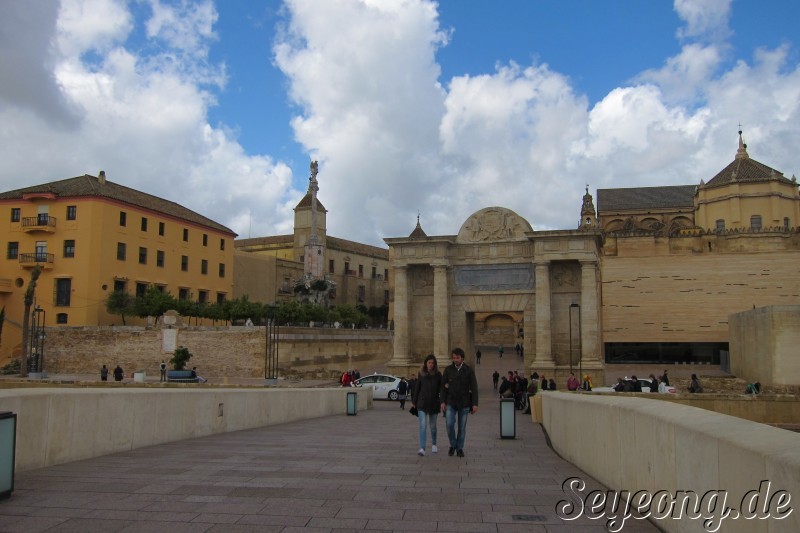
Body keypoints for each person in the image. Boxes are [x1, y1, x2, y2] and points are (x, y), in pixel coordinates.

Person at [440, 347, 479, 458]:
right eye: (453, 358)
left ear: (462, 358)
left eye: (457, 358)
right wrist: (442, 401)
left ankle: (459, 448)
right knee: (449, 424)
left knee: (462, 427)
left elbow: (474, 387)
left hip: (464, 402)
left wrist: (475, 403)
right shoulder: (448, 370)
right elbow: (443, 387)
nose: (455, 360)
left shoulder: (468, 370)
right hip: (450, 401)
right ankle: (453, 444)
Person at [412, 354, 442, 456]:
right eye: (429, 362)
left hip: (434, 403)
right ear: (426, 363)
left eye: (433, 363)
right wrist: (414, 401)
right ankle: (422, 448)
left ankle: (434, 444)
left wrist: (443, 401)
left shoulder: (438, 375)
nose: (431, 365)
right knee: (423, 426)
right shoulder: (421, 374)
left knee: (433, 426)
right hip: (422, 402)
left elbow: (442, 389)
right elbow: (417, 388)